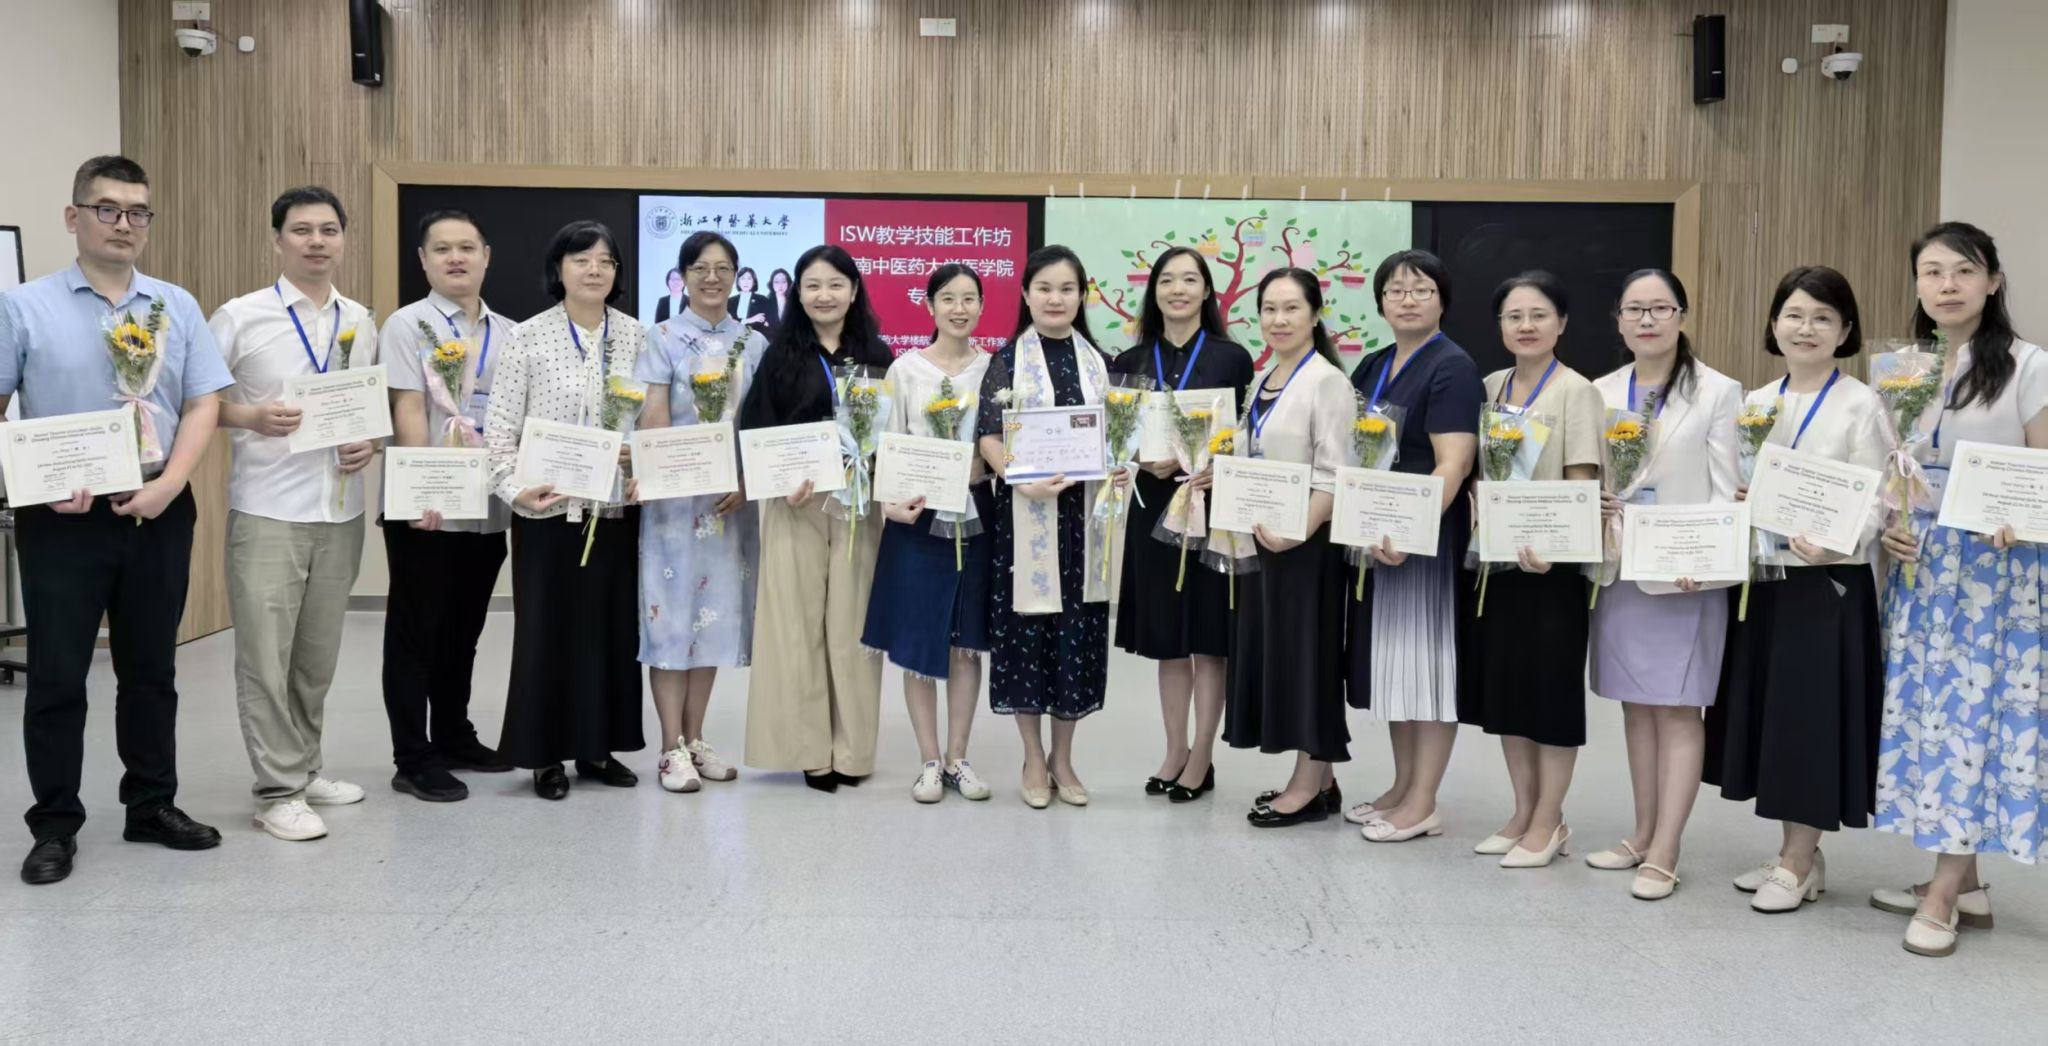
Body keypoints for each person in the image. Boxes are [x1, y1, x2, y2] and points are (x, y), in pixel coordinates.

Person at [1, 155, 232, 884]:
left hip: (158, 509)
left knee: (151, 669)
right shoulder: (22, 306)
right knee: (59, 674)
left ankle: (151, 805)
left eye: (137, 212)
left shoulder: (176, 305)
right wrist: (35, 482)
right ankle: (54, 824)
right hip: (61, 518)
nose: (124, 224)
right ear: (74, 217)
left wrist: (172, 483)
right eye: (107, 209)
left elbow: (203, 401)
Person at [1874, 222, 2044, 957]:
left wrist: (2020, 518)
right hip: (1921, 568)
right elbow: (1894, 467)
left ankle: (1943, 895)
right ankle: (1964, 883)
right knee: (1930, 720)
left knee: (1973, 719)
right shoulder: (1902, 368)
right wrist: (1890, 523)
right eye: (1932, 271)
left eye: (1964, 271)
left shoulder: (2029, 366)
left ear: (1993, 281)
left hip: (1995, 576)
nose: (1947, 285)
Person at [1704, 265, 1886, 911]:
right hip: (1766, 579)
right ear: (1774, 324)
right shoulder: (1756, 403)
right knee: (1777, 718)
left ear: (1845, 330)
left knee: (1810, 719)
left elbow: (1879, 496)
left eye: (1822, 318)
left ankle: (1797, 861)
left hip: (1827, 581)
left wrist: (1840, 541)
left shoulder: (1862, 403)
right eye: (1795, 315)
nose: (1806, 328)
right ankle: (1798, 852)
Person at [208, 185, 379, 841]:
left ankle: (305, 769)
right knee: (265, 655)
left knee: (315, 658)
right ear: (278, 239)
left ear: (343, 239)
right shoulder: (240, 317)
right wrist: (250, 415)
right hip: (268, 509)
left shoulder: (360, 320)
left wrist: (371, 441)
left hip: (340, 510)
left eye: (329, 229)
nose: (316, 241)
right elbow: (196, 402)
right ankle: (276, 790)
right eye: (302, 229)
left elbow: (364, 409)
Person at [1583, 268, 1743, 899]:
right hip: (1622, 568)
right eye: (1635, 309)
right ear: (1619, 321)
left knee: (1678, 708)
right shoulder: (1599, 391)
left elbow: (1727, 487)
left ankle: (1667, 849)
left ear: (1682, 316)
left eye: (1660, 308)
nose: (1647, 320)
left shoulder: (1718, 392)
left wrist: (1706, 557)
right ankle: (1642, 832)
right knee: (1637, 704)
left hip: (1685, 574)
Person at [484, 220, 646, 799]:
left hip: (614, 511)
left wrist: (642, 463)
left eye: (605, 260)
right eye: (581, 259)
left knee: (608, 631)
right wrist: (514, 491)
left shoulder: (637, 337)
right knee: (546, 632)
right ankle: (544, 755)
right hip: (547, 511)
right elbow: (498, 431)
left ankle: (598, 748)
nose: (594, 269)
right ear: (559, 269)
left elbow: (653, 422)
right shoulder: (527, 338)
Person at [974, 245, 1130, 809]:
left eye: (1067, 289)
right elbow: (988, 437)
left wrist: (1122, 464)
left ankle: (1063, 757)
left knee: (1075, 636)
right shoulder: (1006, 361)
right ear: (1026, 294)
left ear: (1082, 296)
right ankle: (1033, 757)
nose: (1055, 298)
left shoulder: (1102, 364)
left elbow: (1121, 437)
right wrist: (1018, 476)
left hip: (1083, 523)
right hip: (1026, 517)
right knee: (1026, 633)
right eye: (1044, 288)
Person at [1457, 272, 1604, 866]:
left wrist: (1554, 547)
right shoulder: (1490, 387)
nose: (1526, 326)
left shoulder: (1576, 391)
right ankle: (1522, 811)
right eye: (1513, 316)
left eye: (1539, 315)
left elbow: (1582, 482)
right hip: (1496, 564)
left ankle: (1550, 820)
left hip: (1552, 570)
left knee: (1551, 695)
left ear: (1561, 323)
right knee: (1508, 691)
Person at [737, 244, 893, 790]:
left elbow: (892, 434)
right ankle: (809, 751)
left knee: (853, 631)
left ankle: (852, 751)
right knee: (795, 627)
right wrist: (780, 482)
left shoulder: (877, 354)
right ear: (797, 293)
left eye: (835, 284)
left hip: (858, 506)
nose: (824, 295)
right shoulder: (778, 356)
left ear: (854, 290)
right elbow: (755, 429)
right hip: (795, 505)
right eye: (812, 285)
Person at [376, 208, 514, 803]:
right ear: (423, 260)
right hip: (426, 509)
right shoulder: (406, 325)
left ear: (486, 256)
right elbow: (408, 407)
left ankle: (454, 735)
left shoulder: (510, 333)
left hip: (486, 506)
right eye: (442, 249)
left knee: (464, 630)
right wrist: (421, 490)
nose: (456, 258)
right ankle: (413, 756)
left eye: (467, 247)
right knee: (416, 633)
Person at [1345, 250, 1481, 842]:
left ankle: (1423, 802)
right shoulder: (1373, 364)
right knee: (1396, 667)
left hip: (1425, 539)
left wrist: (1408, 528)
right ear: (1380, 302)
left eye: (1421, 289)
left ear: (1442, 300)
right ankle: (1402, 786)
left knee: (1428, 669)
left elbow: (1454, 462)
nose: (1407, 299)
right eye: (1395, 290)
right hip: (1376, 535)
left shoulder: (1453, 366)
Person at [1112, 247, 1254, 804]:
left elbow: (1247, 436)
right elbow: (1116, 439)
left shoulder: (1231, 358)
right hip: (1153, 508)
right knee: (1169, 640)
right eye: (1167, 280)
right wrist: (1137, 460)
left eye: (1190, 279)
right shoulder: (1130, 359)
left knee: (1209, 639)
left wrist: (1218, 463)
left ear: (1206, 291)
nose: (1178, 289)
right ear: (1154, 292)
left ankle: (1202, 756)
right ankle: (1174, 749)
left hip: (1212, 508)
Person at [1221, 269, 1355, 826]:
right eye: (1269, 309)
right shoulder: (1264, 377)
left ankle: (1305, 784)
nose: (1279, 320)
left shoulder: (1326, 381)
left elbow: (1336, 472)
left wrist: (1300, 528)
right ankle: (1323, 781)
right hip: (1265, 540)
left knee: (1309, 658)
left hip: (1308, 546)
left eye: (1292, 308)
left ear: (1315, 315)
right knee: (1283, 655)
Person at [861, 263, 997, 803]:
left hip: (977, 514)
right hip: (917, 522)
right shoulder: (905, 369)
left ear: (982, 305)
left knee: (966, 643)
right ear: (929, 305)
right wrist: (890, 503)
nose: (959, 309)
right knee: (918, 640)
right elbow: (886, 445)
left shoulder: (995, 370)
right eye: (948, 298)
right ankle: (929, 761)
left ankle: (959, 757)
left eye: (969, 298)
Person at [637, 231, 761, 793]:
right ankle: (669, 748)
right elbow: (654, 417)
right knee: (670, 621)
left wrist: (747, 480)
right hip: (674, 504)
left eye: (723, 268)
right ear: (682, 276)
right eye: (700, 268)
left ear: (736, 276)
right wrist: (671, 472)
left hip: (728, 504)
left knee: (710, 619)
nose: (712, 278)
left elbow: (759, 425)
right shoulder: (661, 337)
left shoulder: (753, 342)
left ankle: (695, 738)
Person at [729, 266, 771, 335]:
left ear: (754, 282)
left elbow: (762, 322)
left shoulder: (762, 300)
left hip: (755, 337)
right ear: (738, 282)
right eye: (742, 278)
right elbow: (728, 322)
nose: (746, 282)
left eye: (749, 278)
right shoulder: (730, 301)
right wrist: (750, 320)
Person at [763, 268, 793, 333]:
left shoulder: (794, 303)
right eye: (776, 282)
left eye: (783, 281)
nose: (780, 285)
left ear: (788, 283)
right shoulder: (766, 303)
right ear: (772, 284)